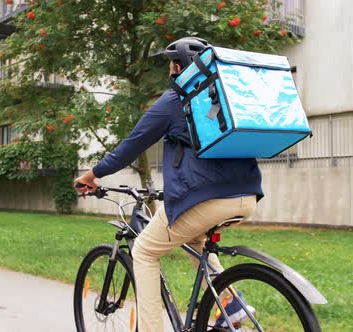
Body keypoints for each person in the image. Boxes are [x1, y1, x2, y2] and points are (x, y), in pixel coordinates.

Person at [75, 36, 263, 331]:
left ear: (179, 66)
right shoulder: (224, 96)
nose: (169, 71)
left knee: (145, 251)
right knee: (194, 239)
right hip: (248, 196)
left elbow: (132, 145)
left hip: (208, 200)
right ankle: (230, 304)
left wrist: (92, 175)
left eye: (171, 64)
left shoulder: (176, 100)